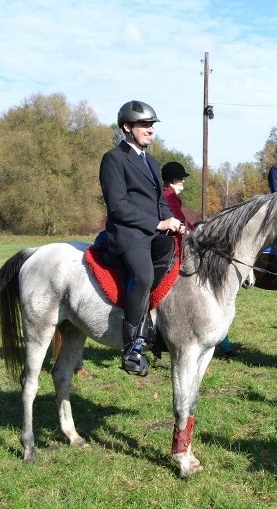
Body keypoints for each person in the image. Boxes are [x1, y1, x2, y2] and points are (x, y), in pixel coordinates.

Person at [100, 100, 185, 376]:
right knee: (144, 276)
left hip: (154, 231)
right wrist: (157, 223)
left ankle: (155, 326)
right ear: (127, 127)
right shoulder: (113, 159)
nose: (151, 130)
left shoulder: (152, 161)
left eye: (152, 125)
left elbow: (161, 201)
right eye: (145, 125)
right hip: (126, 233)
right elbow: (118, 206)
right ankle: (132, 349)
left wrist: (174, 223)